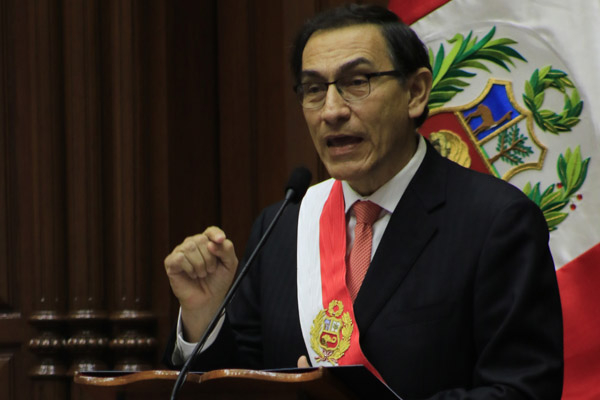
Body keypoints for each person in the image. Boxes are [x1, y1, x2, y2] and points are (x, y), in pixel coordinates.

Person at [163, 4, 563, 399]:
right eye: (314, 89)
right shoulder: (282, 227)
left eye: (357, 82)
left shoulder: (496, 221)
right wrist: (203, 315)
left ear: (415, 92)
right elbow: (240, 387)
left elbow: (521, 390)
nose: (331, 111)